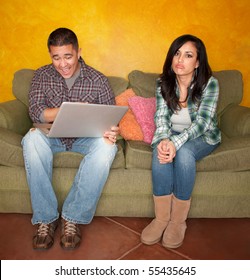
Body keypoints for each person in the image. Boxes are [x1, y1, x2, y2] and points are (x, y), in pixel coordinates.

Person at [22, 28, 119, 250]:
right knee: (31, 139)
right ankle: (46, 219)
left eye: (68, 56)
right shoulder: (41, 75)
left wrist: (111, 131)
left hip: (85, 138)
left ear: (78, 52)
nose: (62, 64)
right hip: (51, 136)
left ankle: (72, 218)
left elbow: (112, 117)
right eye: (56, 57)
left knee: (108, 148)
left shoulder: (98, 79)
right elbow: (36, 111)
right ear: (50, 55)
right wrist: (69, 110)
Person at [141, 34, 221, 249]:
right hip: (173, 132)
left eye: (188, 55)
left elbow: (204, 122)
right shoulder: (162, 82)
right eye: (177, 53)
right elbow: (160, 117)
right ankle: (161, 219)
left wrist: (176, 143)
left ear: (197, 63)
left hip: (204, 136)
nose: (180, 60)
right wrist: (165, 141)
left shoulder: (210, 84)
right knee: (161, 152)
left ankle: (177, 222)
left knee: (184, 152)